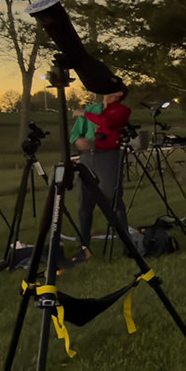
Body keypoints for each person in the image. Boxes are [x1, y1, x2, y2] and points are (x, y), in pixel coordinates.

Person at [70, 82, 131, 261]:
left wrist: (84, 113)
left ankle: (126, 243)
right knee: (85, 200)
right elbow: (75, 134)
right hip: (87, 157)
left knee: (112, 199)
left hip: (109, 156)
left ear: (119, 93)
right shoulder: (91, 108)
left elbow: (108, 122)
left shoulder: (121, 110)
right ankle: (83, 246)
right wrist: (78, 141)